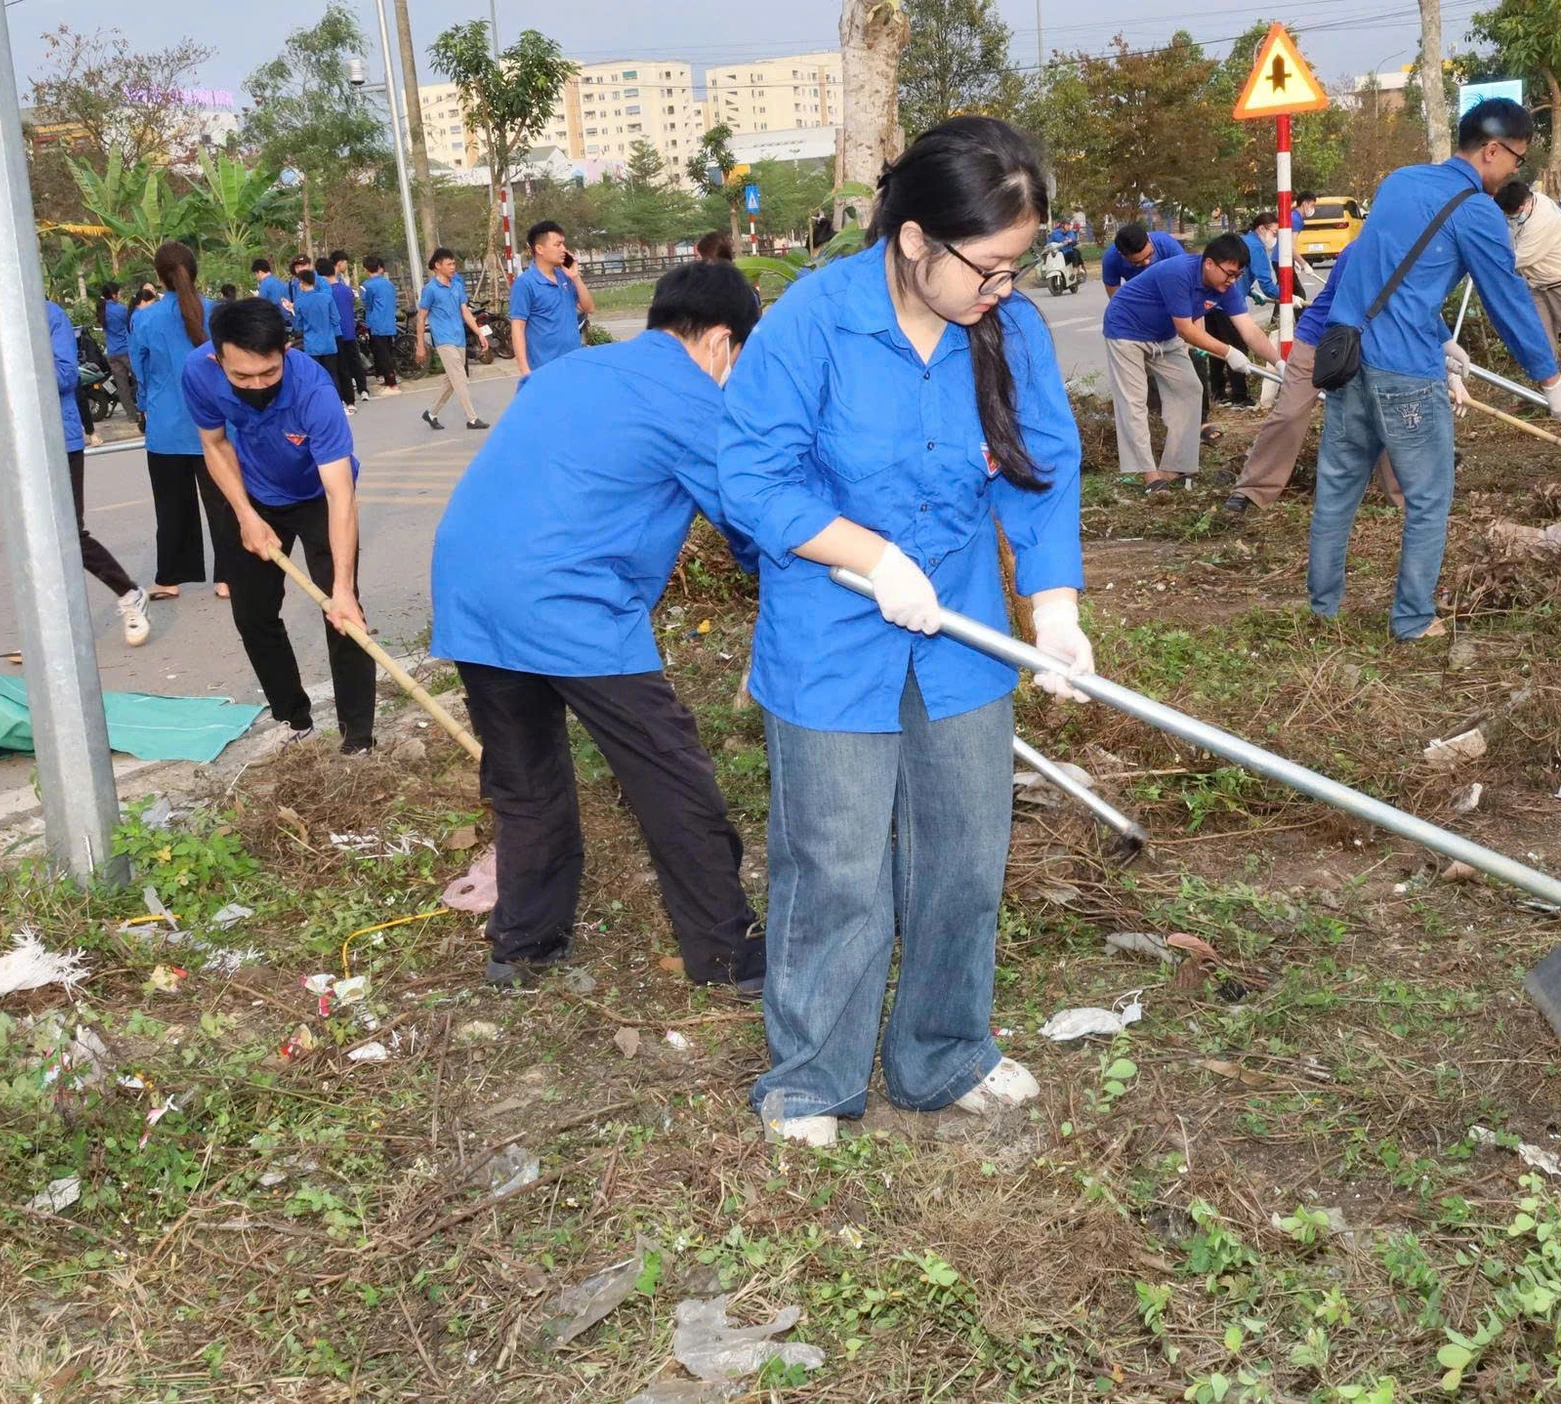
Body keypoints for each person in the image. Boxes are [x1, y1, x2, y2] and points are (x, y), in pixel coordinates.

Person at [718, 115, 1089, 1150]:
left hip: (961, 631)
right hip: (833, 633)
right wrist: (868, 557)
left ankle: (942, 1052)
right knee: (835, 867)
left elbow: (1041, 470)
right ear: (916, 240)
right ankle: (810, 1079)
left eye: (1022, 264)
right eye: (991, 266)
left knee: (965, 858)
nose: (1004, 289)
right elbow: (751, 478)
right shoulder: (814, 322)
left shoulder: (1004, 329)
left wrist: (1052, 607)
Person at [430, 262, 770, 992]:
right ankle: (729, 955)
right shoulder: (692, 399)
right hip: (566, 600)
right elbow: (754, 524)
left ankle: (523, 947)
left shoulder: (571, 369)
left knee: (525, 781)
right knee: (669, 773)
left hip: (471, 587)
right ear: (720, 341)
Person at [1309, 97, 1561, 642]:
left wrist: (1443, 339)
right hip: (1404, 374)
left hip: (1348, 359)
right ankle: (1411, 620)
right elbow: (1508, 300)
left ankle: (1322, 610)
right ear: (1491, 150)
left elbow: (1374, 270)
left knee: (1337, 490)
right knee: (1429, 497)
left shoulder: (1400, 181)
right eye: (1517, 160)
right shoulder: (1476, 210)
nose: (1513, 173)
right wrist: (1551, 382)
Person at [183, 298, 376, 751]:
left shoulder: (314, 391)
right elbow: (213, 445)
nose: (256, 385)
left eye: (268, 373)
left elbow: (339, 493)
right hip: (252, 494)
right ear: (217, 359)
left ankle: (358, 738)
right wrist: (247, 516)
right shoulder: (199, 373)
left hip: (317, 497)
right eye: (242, 377)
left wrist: (343, 588)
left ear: (285, 351)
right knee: (252, 614)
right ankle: (294, 717)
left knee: (344, 615)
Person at [0, 293, 152, 646]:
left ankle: (129, 594)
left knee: (68, 532)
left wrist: (13, 356)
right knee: (31, 535)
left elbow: (64, 375)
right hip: (12, 445)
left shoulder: (47, 315)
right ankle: (51, 628)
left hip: (57, 436)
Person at [1223, 245, 1404, 513]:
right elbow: (1357, 301)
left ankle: (1405, 497)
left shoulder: (1413, 250)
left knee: (1387, 414)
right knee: (1289, 413)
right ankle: (1252, 490)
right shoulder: (1360, 250)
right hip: (1319, 341)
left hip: (1371, 345)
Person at [1102, 235, 1283, 493]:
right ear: (1209, 263)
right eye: (1229, 273)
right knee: (1133, 402)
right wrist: (1228, 351)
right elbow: (1187, 330)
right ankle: (1150, 476)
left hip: (1164, 335)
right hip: (1126, 330)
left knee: (1190, 389)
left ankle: (1173, 467)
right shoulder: (1178, 273)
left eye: (1237, 275)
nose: (1232, 281)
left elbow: (1250, 330)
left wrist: (1278, 362)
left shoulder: (1226, 289)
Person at [133, 241, 237, 602]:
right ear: (195, 272)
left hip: (165, 427)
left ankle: (170, 578)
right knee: (224, 503)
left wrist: (145, 405)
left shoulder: (144, 318)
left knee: (171, 506)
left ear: (160, 278)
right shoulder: (217, 314)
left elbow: (140, 373)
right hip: (214, 424)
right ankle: (228, 577)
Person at [1494, 179, 1561, 350]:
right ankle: (1551, 374)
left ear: (1524, 204)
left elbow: (1521, 257)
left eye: (1514, 213)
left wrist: (1486, 262)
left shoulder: (1541, 219)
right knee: (1541, 337)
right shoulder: (1530, 203)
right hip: (1538, 281)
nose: (1511, 218)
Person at [415, 246, 489, 431]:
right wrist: (420, 345)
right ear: (438, 266)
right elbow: (421, 317)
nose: (452, 267)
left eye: (453, 263)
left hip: (459, 338)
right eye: (449, 264)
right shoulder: (430, 290)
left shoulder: (457, 285)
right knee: (460, 378)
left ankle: (431, 413)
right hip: (444, 340)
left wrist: (480, 333)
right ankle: (472, 419)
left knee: (452, 380)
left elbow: (465, 311)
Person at [510, 221, 593, 381]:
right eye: (558, 244)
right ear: (539, 249)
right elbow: (518, 327)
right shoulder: (525, 283)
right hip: (544, 369)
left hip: (573, 363)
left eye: (563, 244)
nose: (564, 249)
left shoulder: (565, 277)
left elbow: (588, 307)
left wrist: (575, 277)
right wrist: (524, 369)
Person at [289, 264, 349, 410]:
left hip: (312, 345)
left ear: (302, 284)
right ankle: (338, 402)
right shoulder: (326, 298)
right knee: (333, 373)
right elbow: (336, 319)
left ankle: (320, 404)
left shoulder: (299, 303)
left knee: (315, 376)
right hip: (329, 342)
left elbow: (298, 326)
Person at [324, 251, 368, 404]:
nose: (346, 266)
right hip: (346, 328)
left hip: (340, 329)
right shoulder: (338, 285)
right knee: (352, 360)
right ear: (339, 263)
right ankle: (361, 390)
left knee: (344, 363)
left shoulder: (334, 285)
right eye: (345, 263)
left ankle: (358, 391)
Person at [1100, 221, 1183, 298]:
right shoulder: (1111, 259)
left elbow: (1187, 276)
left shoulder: (1167, 244)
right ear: (1122, 255)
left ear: (1149, 240)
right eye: (1137, 263)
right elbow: (1116, 298)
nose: (1147, 262)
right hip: (1139, 294)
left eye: (1150, 254)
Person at [359, 254, 400, 393]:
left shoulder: (366, 286)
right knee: (388, 350)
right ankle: (389, 378)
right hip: (389, 321)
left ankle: (392, 382)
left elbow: (367, 304)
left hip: (376, 323)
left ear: (366, 269)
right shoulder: (389, 284)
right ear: (379, 267)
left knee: (382, 353)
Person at [98, 283, 137, 415]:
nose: (120, 295)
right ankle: (143, 409)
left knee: (122, 386)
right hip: (126, 351)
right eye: (119, 293)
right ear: (113, 295)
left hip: (112, 353)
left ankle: (131, 415)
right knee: (140, 378)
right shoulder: (121, 310)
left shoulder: (102, 311)